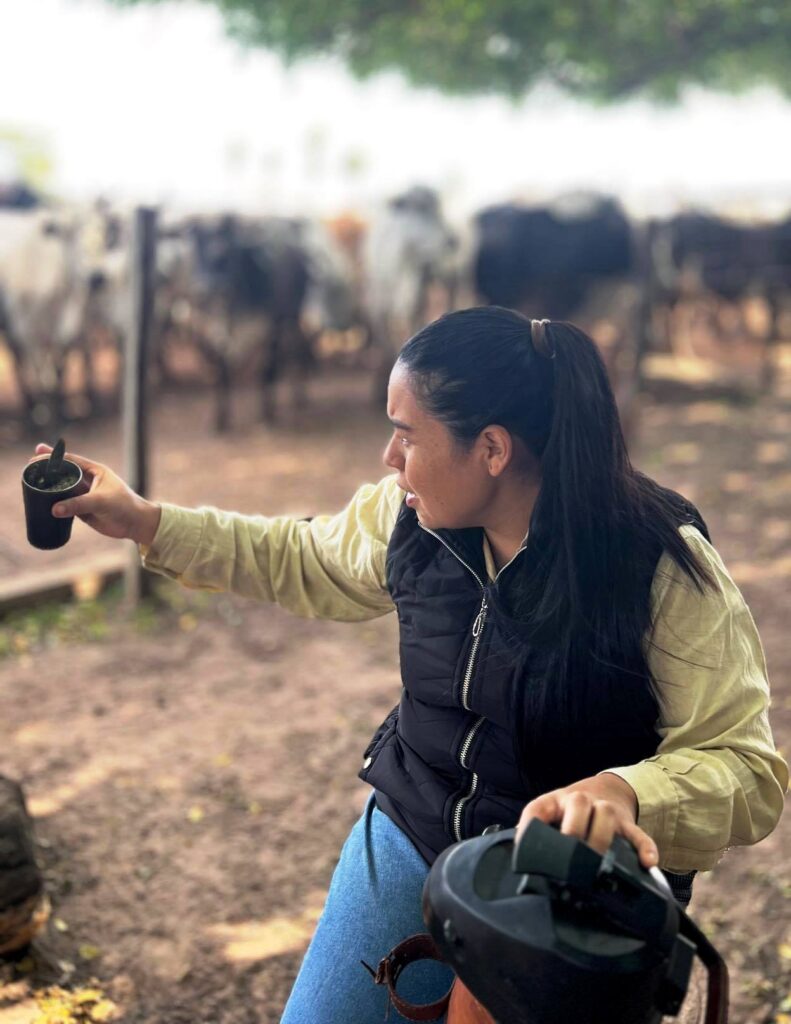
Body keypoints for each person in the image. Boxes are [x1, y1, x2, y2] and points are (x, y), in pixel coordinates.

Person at [32, 307, 787, 1023]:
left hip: (573, 892)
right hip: (413, 825)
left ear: (492, 450)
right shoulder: (407, 515)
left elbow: (746, 768)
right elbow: (301, 554)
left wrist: (626, 792)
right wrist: (144, 521)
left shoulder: (660, 564)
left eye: (406, 435)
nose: (389, 460)